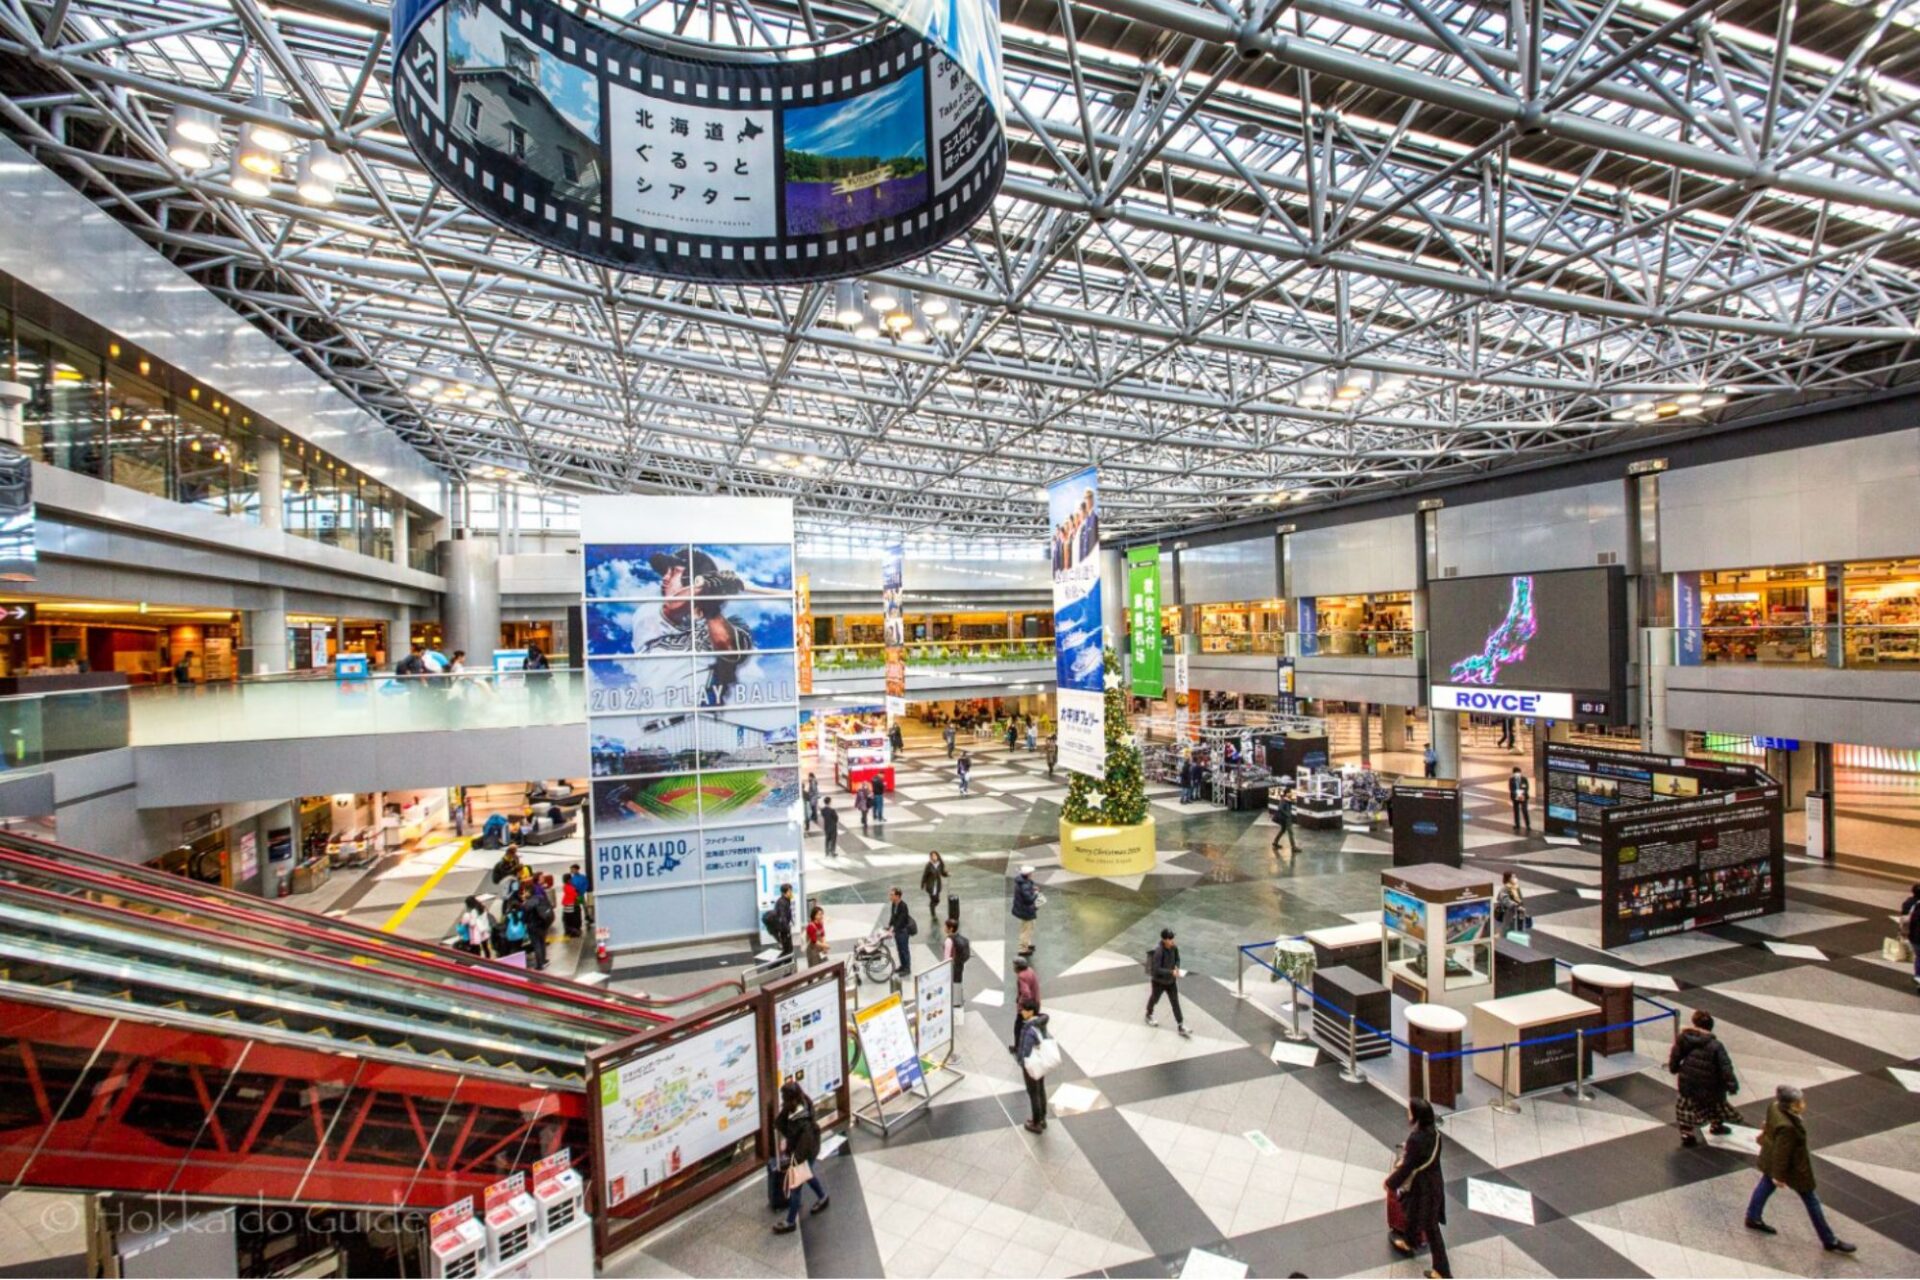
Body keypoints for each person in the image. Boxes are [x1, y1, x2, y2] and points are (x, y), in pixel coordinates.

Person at [1747, 1085, 1855, 1253]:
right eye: (1800, 1102)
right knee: (1811, 1199)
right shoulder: (1788, 1127)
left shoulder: (1774, 1106)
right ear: (1791, 1105)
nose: (1803, 1104)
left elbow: (1770, 1128)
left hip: (1771, 1157)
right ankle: (1829, 1239)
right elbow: (1783, 1154)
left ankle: (1753, 1217)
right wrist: (1779, 1176)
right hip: (1792, 1168)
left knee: (1765, 1185)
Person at [1385, 1097, 1450, 1278]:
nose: (1408, 1113)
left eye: (1410, 1110)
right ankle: (1410, 1241)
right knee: (1414, 1214)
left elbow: (1408, 1166)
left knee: (1431, 1227)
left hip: (1423, 1187)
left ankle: (1442, 1270)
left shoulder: (1416, 1138)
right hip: (1434, 1182)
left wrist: (1390, 1182)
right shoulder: (1435, 1134)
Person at [1668, 1010, 1741, 1146]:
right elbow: (1725, 1066)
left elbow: (1676, 1055)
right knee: (1715, 1103)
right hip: (1710, 1081)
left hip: (1688, 1078)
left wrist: (1674, 1068)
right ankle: (1716, 1125)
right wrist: (1732, 1085)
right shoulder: (1716, 1045)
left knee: (1687, 1107)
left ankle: (1687, 1134)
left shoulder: (1684, 1037)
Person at [771, 1080, 829, 1234]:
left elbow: (803, 1149)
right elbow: (779, 1123)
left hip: (805, 1153)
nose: (782, 1101)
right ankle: (823, 1197)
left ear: (791, 1098)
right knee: (807, 1175)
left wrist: (793, 1162)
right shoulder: (795, 1107)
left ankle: (790, 1222)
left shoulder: (803, 1123)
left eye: (784, 1098)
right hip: (802, 1150)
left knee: (795, 1187)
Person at [1146, 928, 1191, 1037]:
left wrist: (1177, 967)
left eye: (1172, 938)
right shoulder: (1159, 951)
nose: (1172, 940)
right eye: (1170, 938)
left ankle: (1180, 1025)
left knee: (1175, 1002)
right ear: (1164, 939)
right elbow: (1156, 969)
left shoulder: (1174, 948)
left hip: (1171, 982)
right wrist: (1171, 972)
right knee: (1155, 998)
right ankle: (1148, 1014)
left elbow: (1177, 959)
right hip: (1158, 982)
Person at [1015, 998, 1052, 1134]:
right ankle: (1042, 1118)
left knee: (1033, 1093)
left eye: (1023, 1010)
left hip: (1032, 1065)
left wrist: (1021, 1061)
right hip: (1041, 1062)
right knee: (1041, 1089)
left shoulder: (1029, 1029)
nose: (1021, 1012)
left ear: (1030, 1012)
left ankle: (1036, 1122)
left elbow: (1026, 1051)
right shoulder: (1040, 1023)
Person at [1011, 954, 1040, 1054]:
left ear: (1018, 967)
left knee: (1018, 1027)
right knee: (1030, 1024)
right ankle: (1033, 1043)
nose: (1013, 967)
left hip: (1026, 1008)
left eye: (1014, 965)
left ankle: (1017, 1047)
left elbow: (1026, 993)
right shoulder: (1030, 971)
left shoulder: (1022, 976)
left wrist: (1020, 1003)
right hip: (1035, 1004)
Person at [522, 879, 554, 970]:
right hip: (543, 924)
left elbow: (524, 918)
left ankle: (539, 965)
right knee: (542, 942)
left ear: (528, 892)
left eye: (525, 891)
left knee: (536, 945)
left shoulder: (527, 904)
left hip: (533, 926)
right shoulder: (541, 898)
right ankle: (544, 960)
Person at [1011, 865, 1040, 956]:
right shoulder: (1024, 884)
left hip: (1023, 909)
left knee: (1029, 927)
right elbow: (1029, 899)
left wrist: (1032, 888)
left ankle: (1027, 944)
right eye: (1031, 873)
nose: (1032, 874)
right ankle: (1023, 949)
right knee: (1026, 930)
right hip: (1026, 911)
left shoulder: (1023, 881)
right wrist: (1036, 893)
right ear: (1028, 874)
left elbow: (1027, 889)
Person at [886, 887, 914, 974]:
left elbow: (901, 920)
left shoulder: (903, 906)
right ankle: (902, 966)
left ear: (897, 896)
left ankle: (907, 968)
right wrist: (890, 925)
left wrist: (893, 928)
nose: (890, 896)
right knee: (899, 949)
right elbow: (893, 916)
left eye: (892, 895)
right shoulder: (894, 904)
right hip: (897, 931)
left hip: (903, 931)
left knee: (904, 950)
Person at [1901, 883, 1919, 995]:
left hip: (1914, 938)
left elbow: (1905, 918)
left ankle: (1918, 975)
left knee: (1919, 957)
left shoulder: (1909, 903)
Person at [920, 851, 949, 920]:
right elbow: (925, 875)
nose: (934, 857)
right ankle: (933, 913)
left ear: (937, 856)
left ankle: (931, 906)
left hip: (937, 885)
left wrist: (946, 874)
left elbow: (942, 873)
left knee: (937, 900)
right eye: (932, 856)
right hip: (930, 885)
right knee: (933, 899)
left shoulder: (940, 864)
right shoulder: (928, 865)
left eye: (935, 855)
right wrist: (923, 884)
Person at [770, 883, 796, 957]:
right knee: (787, 949)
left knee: (788, 948)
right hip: (783, 929)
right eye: (789, 891)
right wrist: (787, 930)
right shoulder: (782, 902)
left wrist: (791, 920)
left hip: (784, 927)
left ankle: (787, 962)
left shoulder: (787, 899)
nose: (791, 893)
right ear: (784, 892)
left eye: (791, 891)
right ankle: (776, 964)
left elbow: (787, 912)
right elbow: (782, 917)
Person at [1508, 767, 1531, 832]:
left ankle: (1528, 825)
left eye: (1518, 772)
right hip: (1515, 797)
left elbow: (1527, 787)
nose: (1517, 774)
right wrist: (1516, 794)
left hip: (1523, 797)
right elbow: (1511, 788)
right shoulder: (1511, 780)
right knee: (1516, 811)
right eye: (1516, 773)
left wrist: (1522, 794)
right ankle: (1517, 824)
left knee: (1524, 810)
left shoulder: (1524, 779)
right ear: (1513, 773)